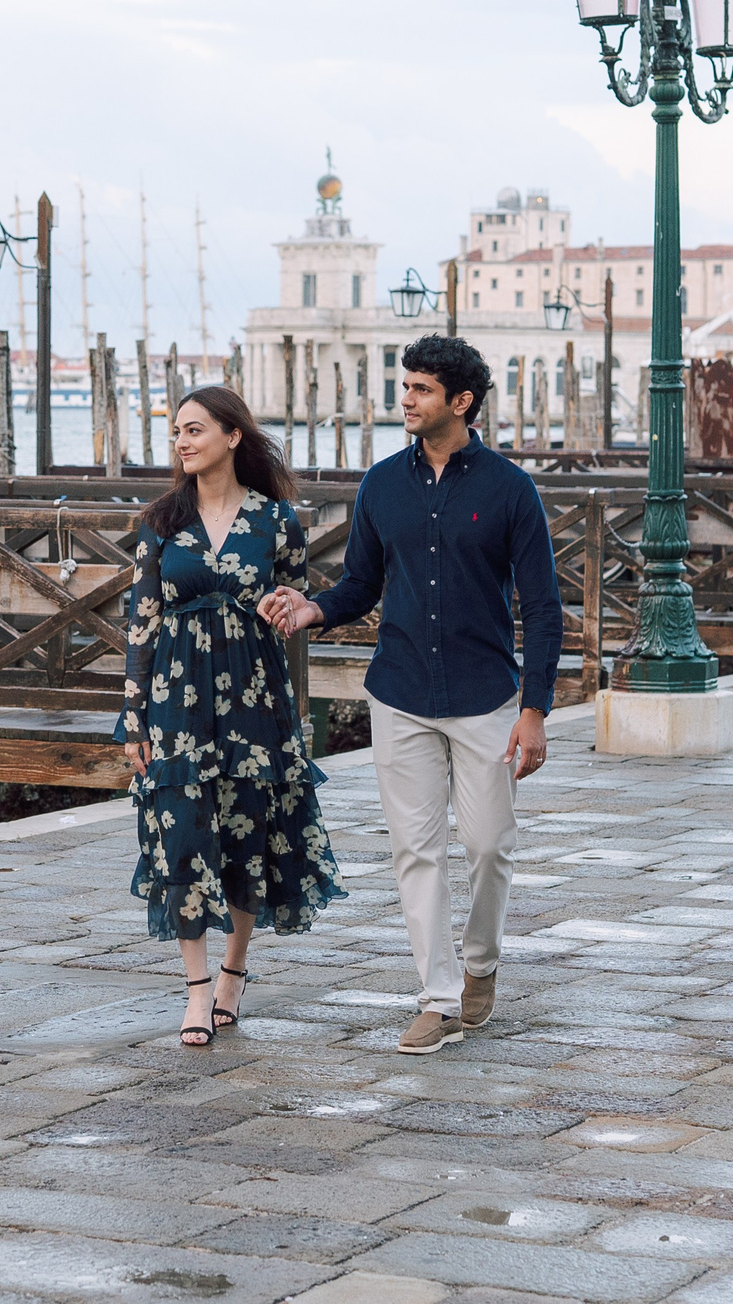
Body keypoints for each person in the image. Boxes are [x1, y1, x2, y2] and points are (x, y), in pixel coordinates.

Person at [260, 336, 557, 1055]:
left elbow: (543, 607)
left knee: (489, 846)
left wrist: (534, 709)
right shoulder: (381, 486)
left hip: (487, 695)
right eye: (406, 387)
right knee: (416, 852)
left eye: (421, 389)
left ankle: (481, 963)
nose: (406, 400)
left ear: (461, 402)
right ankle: (438, 997)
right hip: (397, 693)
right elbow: (361, 583)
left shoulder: (510, 489)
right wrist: (313, 610)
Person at [118, 386, 345, 1047]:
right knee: (182, 835)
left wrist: (286, 607)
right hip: (175, 701)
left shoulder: (278, 522)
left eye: (194, 429)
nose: (183, 442)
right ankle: (194, 992)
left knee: (248, 836)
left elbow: (294, 605)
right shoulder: (161, 522)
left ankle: (233, 973)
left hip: (256, 699)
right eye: (177, 433)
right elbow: (141, 623)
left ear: (232, 436)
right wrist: (132, 719)